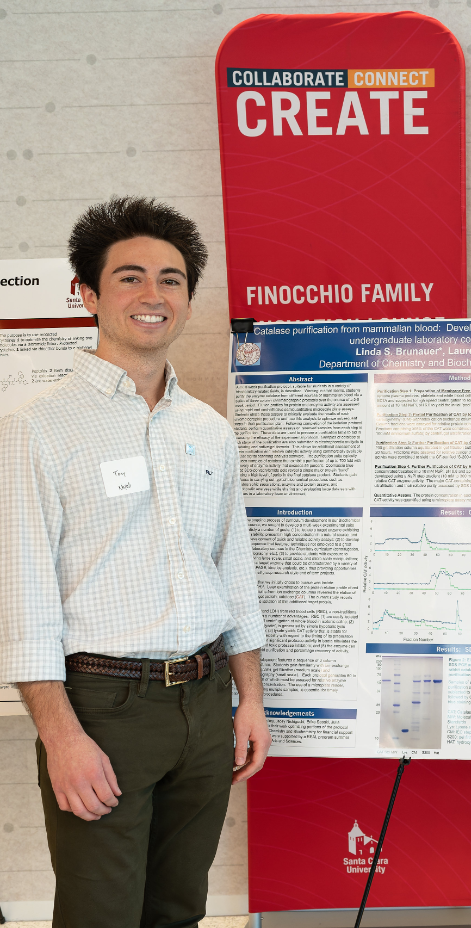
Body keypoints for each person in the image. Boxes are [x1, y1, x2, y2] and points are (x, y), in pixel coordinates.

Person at [0, 197, 270, 927]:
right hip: (105, 711)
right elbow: (24, 602)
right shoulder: (38, 430)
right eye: (130, 277)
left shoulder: (207, 429)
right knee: (100, 916)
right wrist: (60, 737)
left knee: (179, 910)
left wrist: (251, 699)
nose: (153, 295)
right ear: (87, 294)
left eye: (172, 279)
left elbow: (232, 570)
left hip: (207, 702)